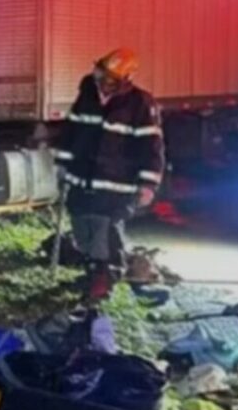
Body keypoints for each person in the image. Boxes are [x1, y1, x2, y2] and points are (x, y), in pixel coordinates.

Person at [53, 48, 165, 299]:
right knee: (82, 229)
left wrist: (148, 184)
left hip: (116, 184)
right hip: (82, 180)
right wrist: (62, 164)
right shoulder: (87, 96)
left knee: (105, 233)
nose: (102, 81)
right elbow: (71, 132)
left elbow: (151, 147)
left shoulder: (140, 103)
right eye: (100, 74)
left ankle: (104, 280)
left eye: (110, 78)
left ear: (125, 79)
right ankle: (92, 273)